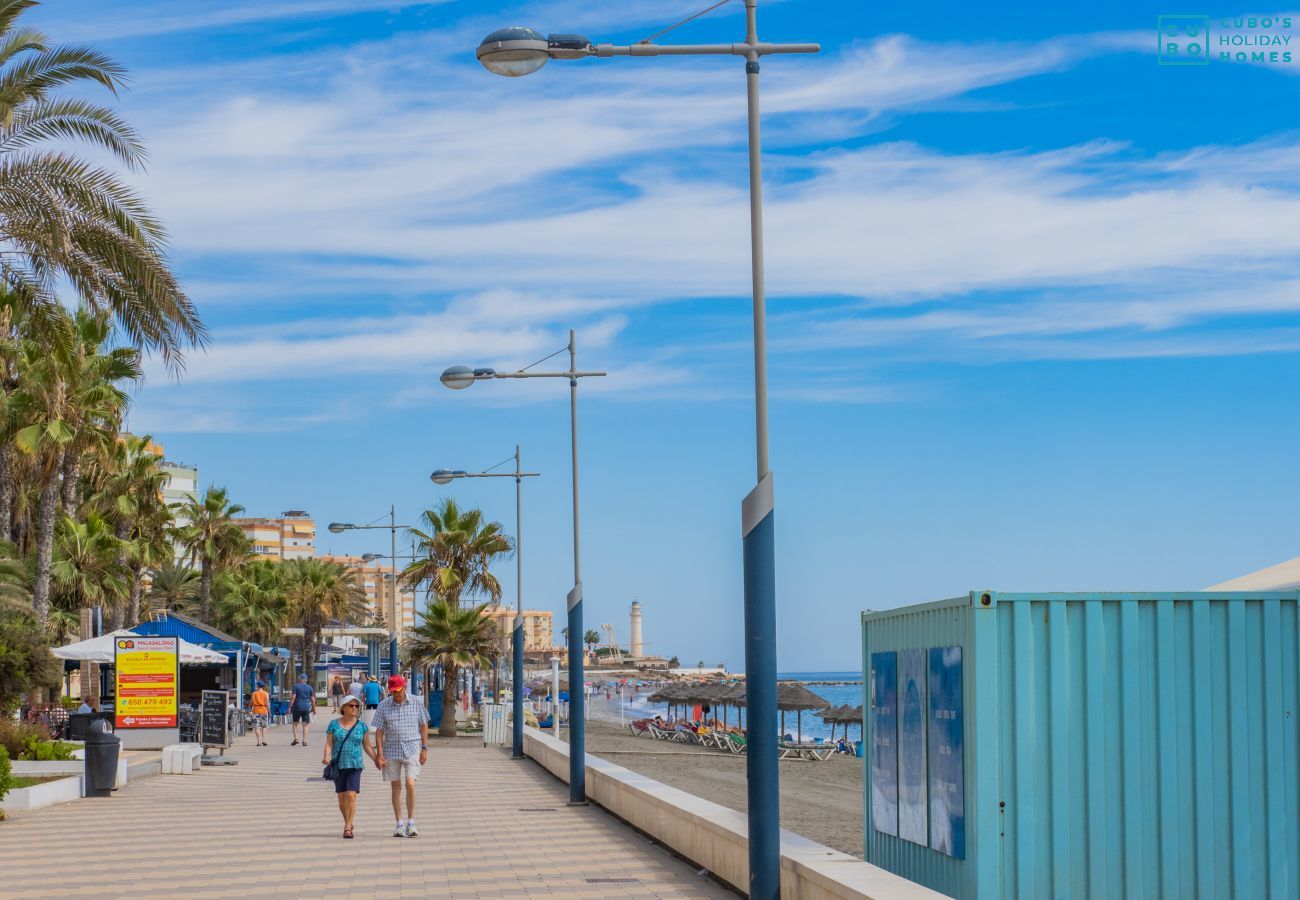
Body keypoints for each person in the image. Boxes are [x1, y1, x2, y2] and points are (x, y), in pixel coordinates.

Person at [371, 674, 428, 838]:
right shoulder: (383, 706)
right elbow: (379, 731)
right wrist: (379, 753)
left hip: (412, 747)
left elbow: (423, 726)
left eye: (398, 691)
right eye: (393, 692)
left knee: (410, 783)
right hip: (391, 750)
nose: (396, 695)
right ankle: (399, 824)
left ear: (405, 687)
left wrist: (424, 748)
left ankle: (411, 822)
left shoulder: (417, 702)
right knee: (395, 786)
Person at [322, 694, 376, 839]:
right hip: (338, 765)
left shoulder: (362, 726)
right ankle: (348, 821)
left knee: (351, 795)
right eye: (351, 706)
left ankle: (347, 827)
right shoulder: (333, 724)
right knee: (341, 799)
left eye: (356, 706)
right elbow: (329, 743)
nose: (354, 708)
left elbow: (367, 746)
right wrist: (326, 756)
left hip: (355, 764)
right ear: (343, 708)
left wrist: (377, 759)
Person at [290, 674, 315, 746]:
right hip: (306, 707)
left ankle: (296, 738)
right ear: (306, 680)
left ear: (300, 679)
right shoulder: (309, 687)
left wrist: (289, 706)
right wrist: (314, 709)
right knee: (305, 725)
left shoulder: (296, 686)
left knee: (295, 723)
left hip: (297, 707)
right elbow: (313, 699)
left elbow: (293, 697)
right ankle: (304, 740)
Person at [250, 680, 270, 746]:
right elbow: (267, 703)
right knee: (264, 726)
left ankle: (259, 742)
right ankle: (263, 740)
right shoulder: (266, 693)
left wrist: (248, 709)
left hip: (256, 711)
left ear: (257, 686)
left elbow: (251, 703)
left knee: (257, 727)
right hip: (264, 710)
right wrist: (269, 711)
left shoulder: (254, 693)